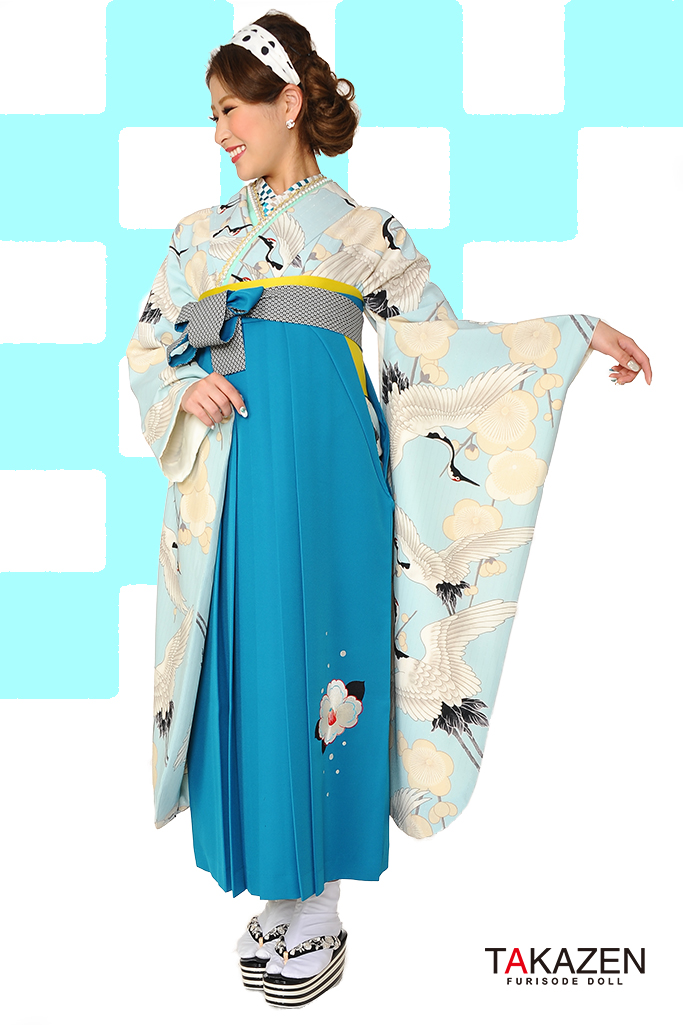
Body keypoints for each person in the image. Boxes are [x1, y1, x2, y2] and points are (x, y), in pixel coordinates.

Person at [126, 8, 652, 1009]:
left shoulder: (364, 232)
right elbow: (150, 345)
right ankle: (275, 885)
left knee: (322, 655)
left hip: (330, 476)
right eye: (213, 114)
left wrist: (571, 334)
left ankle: (319, 899)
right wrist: (180, 387)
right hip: (232, 484)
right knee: (249, 661)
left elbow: (443, 351)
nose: (220, 132)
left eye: (232, 110)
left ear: (289, 103)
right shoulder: (198, 237)